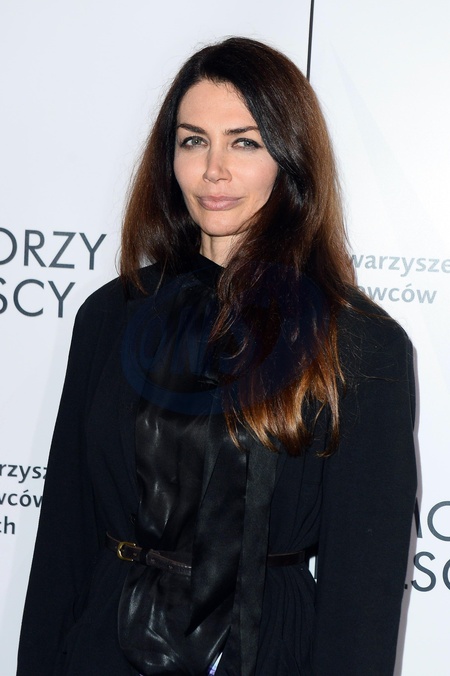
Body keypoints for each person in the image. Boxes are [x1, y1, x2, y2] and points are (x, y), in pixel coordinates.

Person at [17, 37, 417, 676]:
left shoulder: (358, 342)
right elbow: (66, 535)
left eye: (245, 142)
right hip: (103, 649)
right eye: (193, 140)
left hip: (267, 653)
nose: (214, 170)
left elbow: (362, 591)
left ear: (289, 158)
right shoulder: (111, 316)